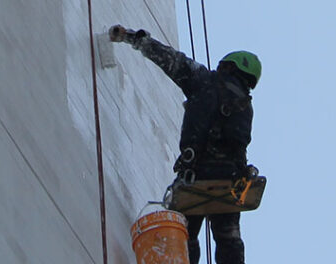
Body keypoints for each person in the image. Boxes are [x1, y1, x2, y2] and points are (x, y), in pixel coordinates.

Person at [109, 25, 261, 264]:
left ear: (229, 67)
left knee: (184, 235)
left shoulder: (204, 81)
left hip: (195, 176)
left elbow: (171, 60)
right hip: (230, 180)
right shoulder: (245, 106)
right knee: (228, 236)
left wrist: (134, 39)